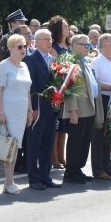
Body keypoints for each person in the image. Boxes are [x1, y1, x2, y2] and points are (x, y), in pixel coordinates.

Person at [23, 28, 62, 190]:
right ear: (37, 42)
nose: (49, 42)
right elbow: (29, 86)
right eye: (46, 39)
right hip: (38, 107)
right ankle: (33, 178)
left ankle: (46, 176)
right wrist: (33, 108)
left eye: (50, 39)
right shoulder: (30, 60)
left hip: (52, 108)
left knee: (48, 143)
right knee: (34, 144)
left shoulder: (54, 60)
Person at [0, 34, 33, 194]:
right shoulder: (4, 65)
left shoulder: (24, 66)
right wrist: (1, 112)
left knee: (16, 146)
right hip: (8, 110)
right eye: (19, 47)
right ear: (11, 49)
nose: (23, 49)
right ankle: (9, 181)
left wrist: (30, 110)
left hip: (21, 111)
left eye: (25, 46)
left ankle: (9, 181)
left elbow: (28, 91)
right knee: (9, 146)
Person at [61, 34, 98, 184]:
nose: (88, 48)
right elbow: (69, 89)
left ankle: (78, 169)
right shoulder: (71, 62)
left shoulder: (85, 62)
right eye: (85, 45)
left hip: (89, 107)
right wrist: (73, 110)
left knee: (84, 141)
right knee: (76, 142)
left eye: (89, 45)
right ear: (75, 46)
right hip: (79, 109)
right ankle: (71, 172)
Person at [91, 33, 111, 180]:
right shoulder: (97, 62)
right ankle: (98, 169)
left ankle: (108, 167)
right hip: (102, 100)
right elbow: (94, 83)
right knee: (99, 135)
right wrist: (109, 87)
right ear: (103, 46)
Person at [48, 15, 70, 169]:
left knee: (64, 126)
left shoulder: (69, 47)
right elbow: (54, 71)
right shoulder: (54, 48)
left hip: (70, 90)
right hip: (58, 91)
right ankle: (53, 157)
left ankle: (61, 156)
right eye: (64, 26)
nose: (68, 28)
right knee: (55, 126)